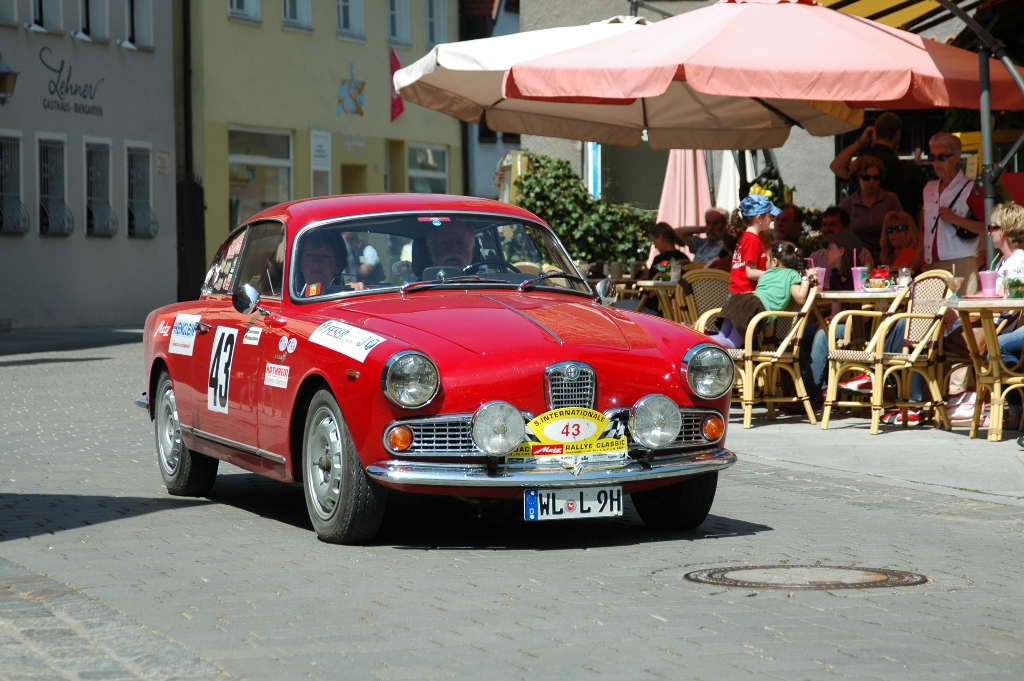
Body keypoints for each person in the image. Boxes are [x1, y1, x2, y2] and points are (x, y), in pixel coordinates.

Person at [914, 132, 985, 295]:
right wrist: (914, 261)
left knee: (960, 310)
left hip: (960, 262)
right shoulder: (929, 188)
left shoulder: (971, 188)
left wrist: (955, 219)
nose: (936, 163)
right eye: (933, 157)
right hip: (931, 264)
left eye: (942, 157)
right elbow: (925, 230)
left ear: (957, 157)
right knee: (931, 310)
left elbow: (987, 227)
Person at [708, 241, 813, 349]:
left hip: (742, 299)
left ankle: (704, 340)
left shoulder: (767, 274)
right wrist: (806, 277)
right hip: (756, 307)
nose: (765, 263)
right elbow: (800, 298)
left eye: (767, 259)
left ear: (774, 262)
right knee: (732, 342)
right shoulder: (792, 274)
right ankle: (705, 342)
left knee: (723, 336)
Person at [829, 112, 927, 220]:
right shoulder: (910, 170)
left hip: (862, 226)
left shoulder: (860, 167)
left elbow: (836, 167)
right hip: (898, 227)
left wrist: (860, 142)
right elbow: (924, 207)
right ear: (898, 133)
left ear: (875, 132)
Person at [839, 155, 903, 258]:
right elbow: (840, 236)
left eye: (876, 177)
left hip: (887, 257)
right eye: (866, 178)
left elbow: (902, 227)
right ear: (857, 179)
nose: (871, 181)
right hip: (858, 258)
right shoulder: (847, 204)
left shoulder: (890, 199)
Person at [728, 195, 778, 295]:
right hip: (745, 295)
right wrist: (776, 275)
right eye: (770, 215)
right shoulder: (752, 240)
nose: (772, 219)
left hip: (739, 294)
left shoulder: (746, 237)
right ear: (759, 218)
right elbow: (750, 272)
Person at [808, 207, 873, 271]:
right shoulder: (815, 257)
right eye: (824, 224)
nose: (827, 229)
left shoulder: (862, 254)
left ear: (846, 227)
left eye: (833, 224)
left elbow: (865, 276)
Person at [297, 230, 352, 296]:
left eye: (324, 256)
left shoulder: (346, 295)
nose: (316, 263)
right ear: (300, 264)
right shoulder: (292, 297)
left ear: (338, 264)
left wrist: (355, 291)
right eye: (310, 255)